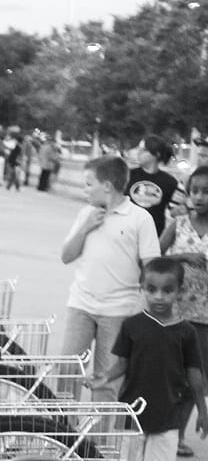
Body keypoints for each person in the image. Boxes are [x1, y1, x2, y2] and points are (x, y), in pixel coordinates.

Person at [113, 256, 208, 461]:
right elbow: (121, 365)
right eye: (151, 289)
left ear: (179, 291)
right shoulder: (132, 325)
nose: (159, 296)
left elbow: (195, 377)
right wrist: (101, 378)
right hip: (132, 413)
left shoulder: (186, 333)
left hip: (168, 417)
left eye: (167, 290)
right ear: (142, 287)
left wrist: (203, 412)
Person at [59, 154, 160, 403]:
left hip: (118, 311)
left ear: (107, 186)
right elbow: (66, 256)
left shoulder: (140, 218)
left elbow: (152, 268)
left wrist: (146, 308)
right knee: (66, 373)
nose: (85, 189)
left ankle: (99, 441)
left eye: (88, 183)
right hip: (80, 306)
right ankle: (61, 435)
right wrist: (85, 228)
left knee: (107, 380)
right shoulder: (86, 213)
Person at [162, 164, 208, 454]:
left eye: (206, 192)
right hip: (174, 315)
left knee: (198, 378)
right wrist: (184, 255)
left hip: (205, 319)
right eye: (194, 191)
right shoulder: (178, 225)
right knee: (170, 375)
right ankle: (163, 433)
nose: (199, 197)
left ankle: (176, 435)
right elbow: (152, 256)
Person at [126, 135, 180, 240]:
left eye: (143, 150)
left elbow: (175, 210)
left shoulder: (169, 182)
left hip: (153, 236)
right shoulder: (128, 175)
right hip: (127, 233)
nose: (139, 152)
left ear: (156, 155)